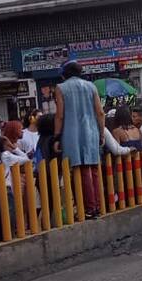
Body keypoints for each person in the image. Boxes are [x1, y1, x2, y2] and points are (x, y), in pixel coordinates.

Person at [54, 61, 104, 217]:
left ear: (65, 74)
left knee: (81, 170)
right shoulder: (91, 86)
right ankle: (97, 206)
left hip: (72, 133)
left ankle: (88, 208)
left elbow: (60, 115)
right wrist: (101, 133)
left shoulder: (61, 88)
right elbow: (100, 113)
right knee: (94, 169)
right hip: (91, 131)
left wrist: (57, 136)